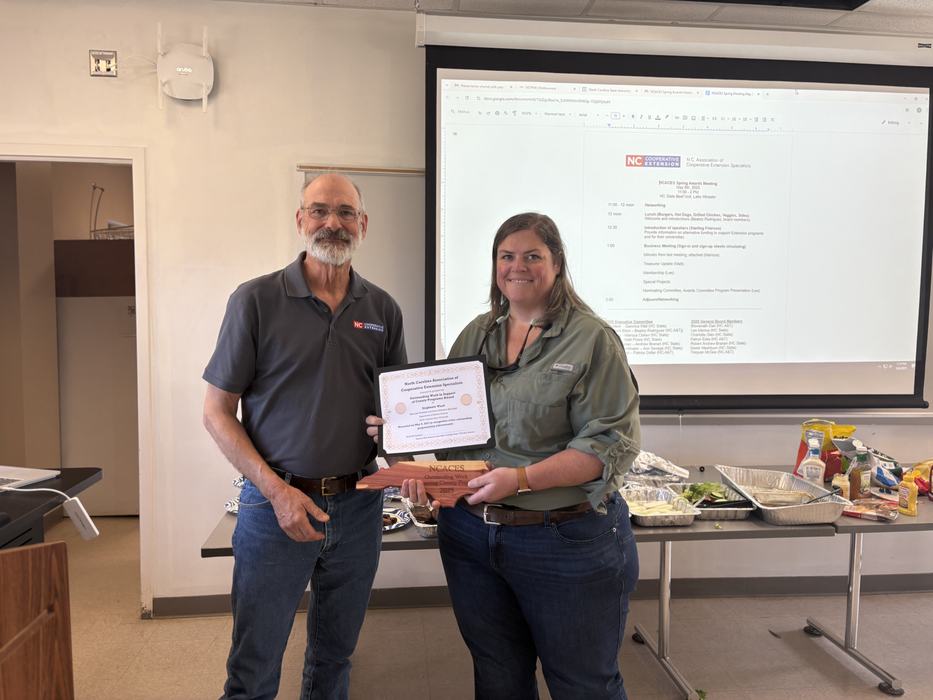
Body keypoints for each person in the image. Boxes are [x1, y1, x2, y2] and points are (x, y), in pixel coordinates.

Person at [368, 212, 640, 700]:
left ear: (557, 264)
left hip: (564, 540)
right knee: (498, 678)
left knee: (583, 685)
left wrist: (521, 480)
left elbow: (605, 446)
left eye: (533, 256)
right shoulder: (478, 333)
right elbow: (451, 432)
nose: (519, 266)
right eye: (506, 256)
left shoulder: (591, 339)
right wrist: (402, 442)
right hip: (472, 539)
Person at [203, 173, 407, 700]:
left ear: (363, 225)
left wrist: (401, 440)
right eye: (319, 211)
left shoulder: (383, 309)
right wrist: (275, 491)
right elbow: (217, 412)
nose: (332, 223)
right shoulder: (255, 300)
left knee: (335, 658)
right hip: (276, 507)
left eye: (344, 212)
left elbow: (396, 413)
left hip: (360, 508)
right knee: (254, 665)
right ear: (300, 220)